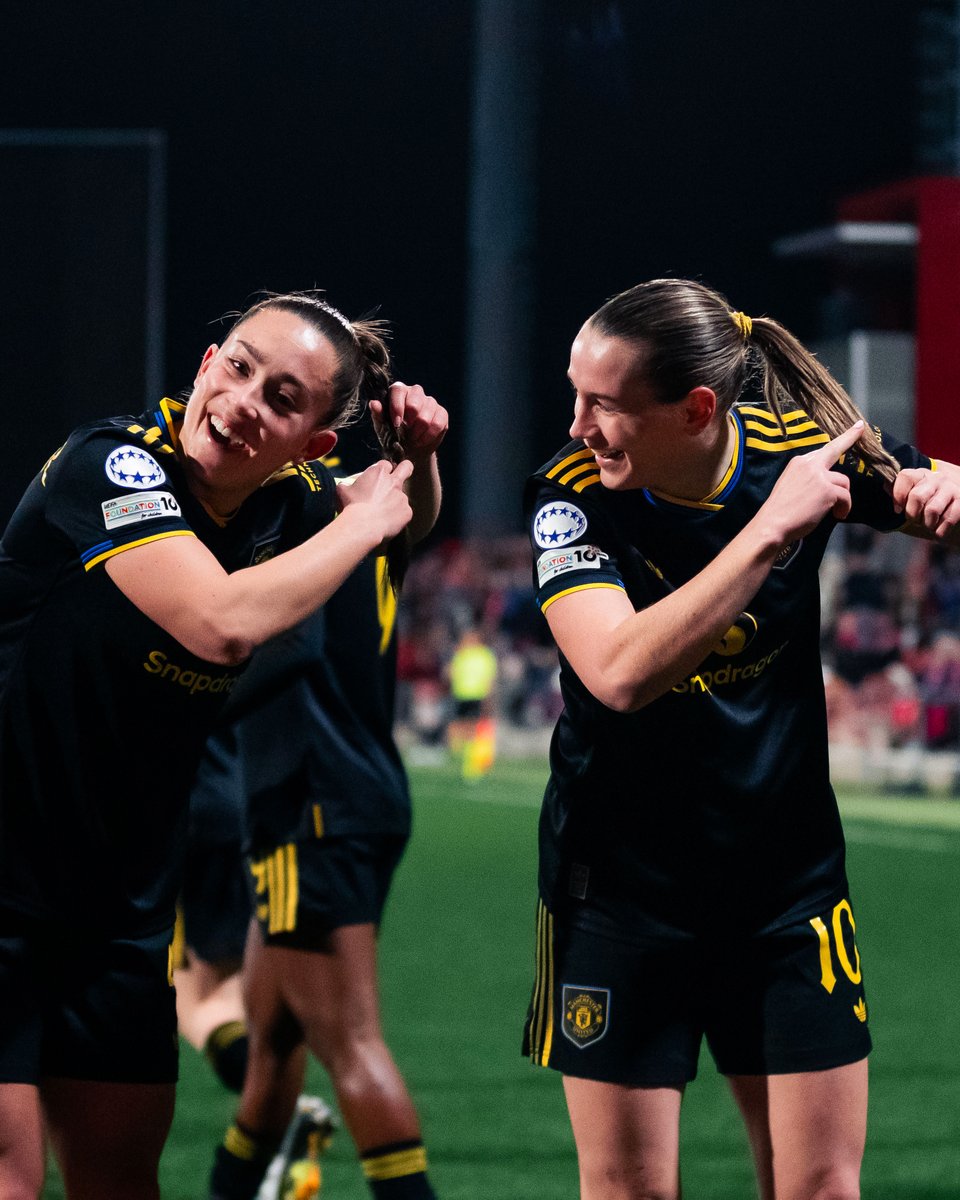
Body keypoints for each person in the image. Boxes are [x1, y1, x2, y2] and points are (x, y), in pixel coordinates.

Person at [0, 290, 447, 1200]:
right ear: (206, 366)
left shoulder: (288, 500)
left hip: (119, 912)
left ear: (314, 444)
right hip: (1, 885)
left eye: (283, 399)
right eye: (238, 367)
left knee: (120, 1178)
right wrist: (366, 521)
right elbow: (217, 623)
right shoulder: (110, 464)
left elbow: (399, 510)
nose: (244, 402)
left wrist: (417, 464)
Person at [520, 277, 960, 1200]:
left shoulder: (797, 453)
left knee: (820, 1190)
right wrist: (768, 532)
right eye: (574, 394)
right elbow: (617, 673)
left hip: (785, 888)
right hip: (619, 891)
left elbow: (923, 489)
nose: (575, 426)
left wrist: (948, 494)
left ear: (696, 410)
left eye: (603, 404)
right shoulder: (571, 500)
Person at [204, 415, 440, 1200]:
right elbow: (422, 520)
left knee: (351, 1045)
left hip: (308, 798)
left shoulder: (285, 513)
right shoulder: (357, 514)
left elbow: (282, 648)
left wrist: (174, 701)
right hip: (350, 788)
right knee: (271, 1047)